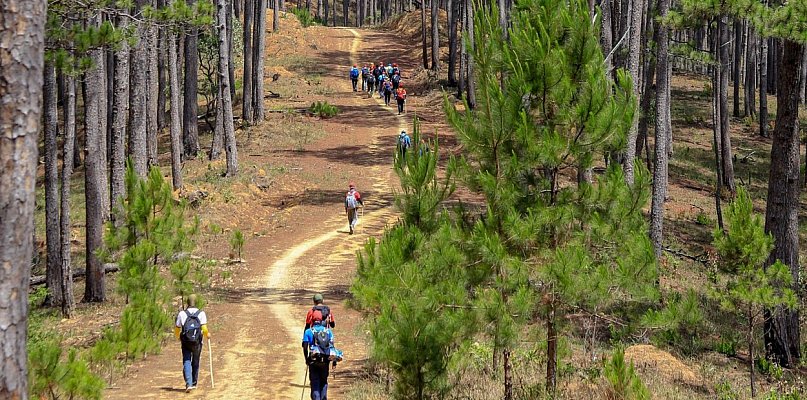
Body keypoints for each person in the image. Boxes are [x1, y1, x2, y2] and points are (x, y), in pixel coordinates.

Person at [174, 294, 209, 392]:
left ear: (187, 302)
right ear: (196, 302)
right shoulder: (201, 313)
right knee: (196, 361)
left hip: (186, 341)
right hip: (197, 342)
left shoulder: (182, 313)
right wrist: (207, 334)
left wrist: (178, 338)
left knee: (187, 360)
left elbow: (177, 328)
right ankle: (194, 382)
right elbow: (204, 328)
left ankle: (188, 383)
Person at [302, 318, 341, 400]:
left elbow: (305, 347)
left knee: (315, 381)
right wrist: (334, 363)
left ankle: (316, 398)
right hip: (325, 360)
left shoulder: (308, 331)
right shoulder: (328, 331)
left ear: (313, 322)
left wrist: (307, 359)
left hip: (314, 360)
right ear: (322, 322)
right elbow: (332, 347)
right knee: (323, 381)